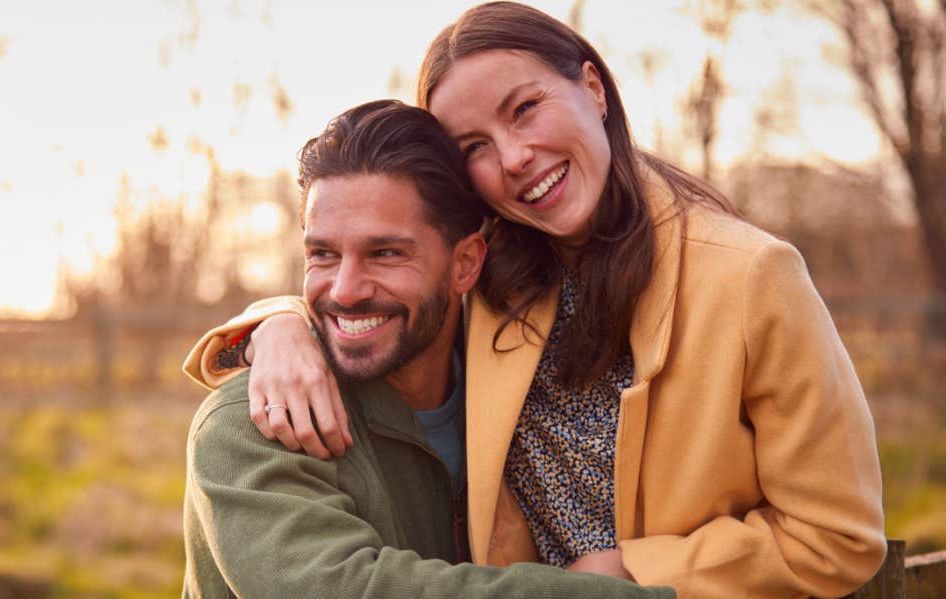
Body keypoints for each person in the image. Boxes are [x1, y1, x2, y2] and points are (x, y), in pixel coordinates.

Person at [182, 3, 887, 598]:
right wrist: (277, 323)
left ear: (593, 87)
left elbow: (839, 534)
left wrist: (634, 572)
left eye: (526, 109)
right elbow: (372, 274)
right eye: (476, 145)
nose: (514, 156)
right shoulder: (502, 276)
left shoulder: (750, 277)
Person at [182, 99, 674, 598]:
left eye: (386, 253)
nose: (345, 289)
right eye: (323, 254)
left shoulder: (522, 397)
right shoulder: (254, 419)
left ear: (465, 264)